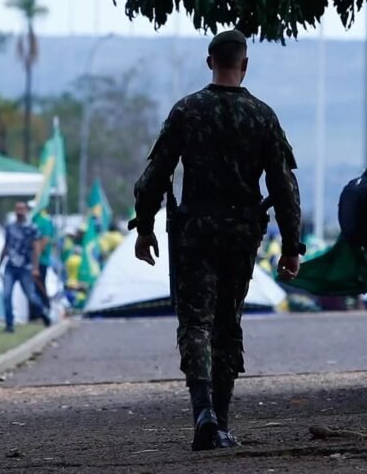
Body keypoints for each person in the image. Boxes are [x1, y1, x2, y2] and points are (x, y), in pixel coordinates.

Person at [131, 29, 301, 451]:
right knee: (228, 324)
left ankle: (203, 412)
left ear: (210, 61)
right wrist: (292, 246)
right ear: (244, 65)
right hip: (241, 236)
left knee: (196, 323)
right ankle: (221, 422)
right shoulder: (264, 116)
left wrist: (145, 226)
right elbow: (284, 187)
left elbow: (154, 177)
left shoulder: (187, 110)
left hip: (195, 233)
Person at [0, 201, 49, 332]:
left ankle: (43, 312)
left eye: (22, 209)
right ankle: (9, 324)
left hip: (25, 267)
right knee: (6, 295)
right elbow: (6, 247)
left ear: (26, 211)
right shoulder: (10, 228)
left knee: (31, 295)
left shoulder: (32, 228)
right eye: (17, 209)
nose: (19, 212)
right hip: (11, 267)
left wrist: (35, 267)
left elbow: (36, 249)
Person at [30, 210, 56, 322]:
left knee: (40, 287)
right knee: (34, 288)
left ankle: (44, 311)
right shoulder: (34, 220)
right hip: (34, 261)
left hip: (41, 261)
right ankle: (37, 314)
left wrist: (36, 259)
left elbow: (44, 241)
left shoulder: (44, 221)